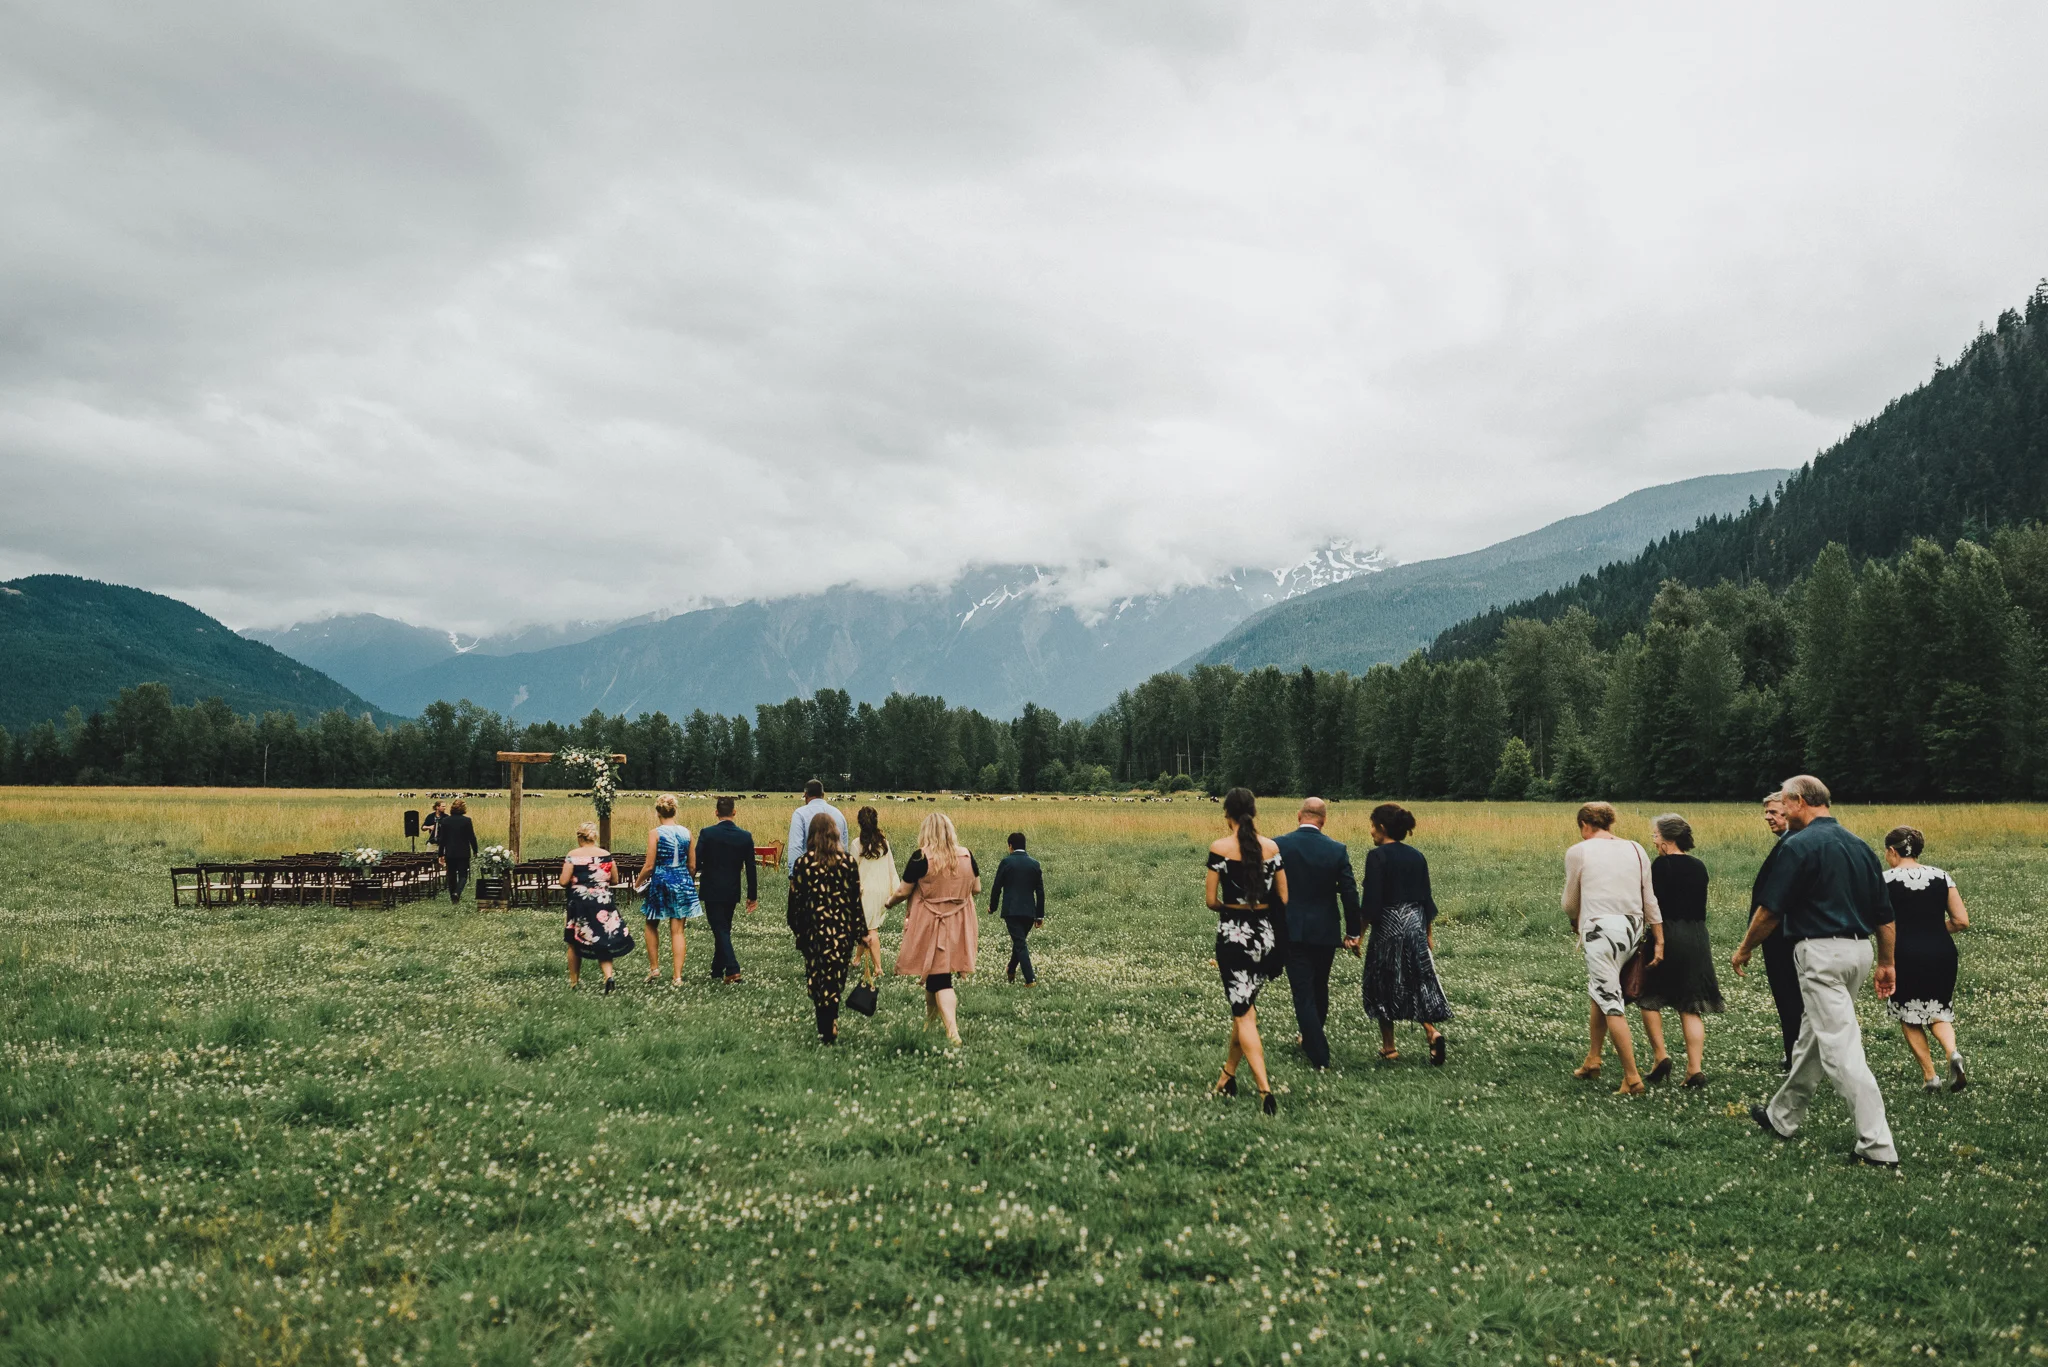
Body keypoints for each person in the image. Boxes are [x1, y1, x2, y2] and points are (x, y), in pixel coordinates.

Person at [1732, 774, 1900, 1167]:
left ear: (1799, 802)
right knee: (1812, 1037)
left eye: (1785, 804)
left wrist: (1744, 948)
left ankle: (1877, 1147)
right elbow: (1885, 917)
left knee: (1843, 1051)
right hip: (1859, 952)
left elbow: (1771, 910)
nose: (1782, 812)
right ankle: (1782, 1116)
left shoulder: (1798, 845)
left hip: (1820, 954)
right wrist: (1886, 961)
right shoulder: (1860, 846)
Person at [1561, 802, 1665, 1096]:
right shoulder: (1635, 848)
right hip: (1633, 930)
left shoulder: (1579, 851)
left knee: (1610, 1001)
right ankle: (1593, 1059)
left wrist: (1574, 919)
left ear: (1584, 824)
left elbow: (1570, 902)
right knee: (1600, 988)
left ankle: (1632, 1079)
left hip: (1601, 930)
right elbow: (1649, 897)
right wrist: (1659, 938)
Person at [1204, 788, 1289, 1114]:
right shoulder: (1272, 848)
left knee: (1244, 1015)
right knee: (1245, 1008)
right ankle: (1227, 1076)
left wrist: (1232, 907)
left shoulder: (1220, 849)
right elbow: (1284, 896)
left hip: (1233, 937)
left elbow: (1211, 901)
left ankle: (1265, 1090)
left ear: (1227, 813)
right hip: (1265, 938)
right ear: (1252, 813)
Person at [1356, 802, 1451, 1064]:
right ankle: (1432, 1032)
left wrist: (1359, 934)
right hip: (1415, 923)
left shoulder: (1376, 857)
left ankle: (1389, 1047)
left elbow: (1371, 902)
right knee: (1417, 979)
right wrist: (1428, 933)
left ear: (1382, 828)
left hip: (1389, 923)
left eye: (1373, 827)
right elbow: (1426, 899)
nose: (1371, 832)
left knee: (1382, 979)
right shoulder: (1417, 856)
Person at [1880, 825, 1971, 1093]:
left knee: (1909, 1016)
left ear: (1891, 851)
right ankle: (1953, 1053)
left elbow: (1879, 922)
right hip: (1942, 952)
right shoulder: (1942, 876)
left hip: (1904, 954)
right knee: (1939, 1011)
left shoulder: (1884, 880)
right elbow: (1961, 921)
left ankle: (1930, 1077)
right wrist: (1931, 930)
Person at [1636, 813, 1723, 1088]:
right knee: (1690, 1004)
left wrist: (1656, 939)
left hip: (1668, 933)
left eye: (1655, 835)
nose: (1653, 839)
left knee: (1647, 996)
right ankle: (1694, 1068)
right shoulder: (1699, 866)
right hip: (1697, 936)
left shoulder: (1660, 867)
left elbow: (1652, 906)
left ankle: (1660, 1056)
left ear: (1667, 839)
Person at [1273, 797, 1359, 1069]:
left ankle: (1317, 1050)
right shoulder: (1337, 849)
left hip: (1291, 929)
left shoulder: (1279, 845)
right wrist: (1353, 931)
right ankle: (1311, 1035)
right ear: (1324, 820)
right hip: (1325, 930)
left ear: (1299, 815)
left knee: (1302, 991)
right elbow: (1349, 892)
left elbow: (1268, 887)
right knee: (1320, 986)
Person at [886, 811, 981, 1045]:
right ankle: (930, 1022)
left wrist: (888, 903)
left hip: (931, 924)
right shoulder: (967, 856)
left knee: (941, 979)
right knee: (935, 973)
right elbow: (976, 889)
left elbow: (903, 891)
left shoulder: (921, 857)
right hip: (959, 924)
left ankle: (953, 1032)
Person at [786, 811, 866, 1043]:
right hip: (842, 934)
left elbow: (795, 906)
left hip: (813, 934)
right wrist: (861, 932)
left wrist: (799, 931)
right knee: (835, 980)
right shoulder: (848, 863)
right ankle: (830, 1021)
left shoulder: (803, 864)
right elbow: (855, 902)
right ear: (835, 832)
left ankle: (825, 1026)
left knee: (817, 980)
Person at [1754, 793, 1803, 1071]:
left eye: (1773, 812)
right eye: (1767, 812)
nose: (1767, 817)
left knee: (1790, 996)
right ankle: (1795, 1050)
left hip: (1784, 936)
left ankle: (1797, 1054)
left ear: (1790, 812)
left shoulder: (1792, 846)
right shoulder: (1788, 844)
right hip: (1783, 935)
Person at [632, 795, 702, 986]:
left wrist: (638, 883)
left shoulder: (655, 833)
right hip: (682, 879)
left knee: (651, 923)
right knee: (678, 931)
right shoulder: (687, 833)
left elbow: (649, 865)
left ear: (658, 812)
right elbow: (693, 865)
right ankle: (677, 976)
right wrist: (684, 878)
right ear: (675, 810)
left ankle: (654, 968)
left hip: (661, 880)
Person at [561, 821, 633, 992]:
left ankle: (574, 982)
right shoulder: (606, 855)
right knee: (604, 939)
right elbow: (614, 879)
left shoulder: (573, 855)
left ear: (580, 837)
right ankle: (609, 976)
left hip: (580, 902)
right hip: (603, 902)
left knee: (573, 940)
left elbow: (563, 881)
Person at [694, 796, 758, 983]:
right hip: (732, 889)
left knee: (720, 929)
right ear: (734, 812)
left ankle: (732, 969)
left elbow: (696, 862)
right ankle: (716, 969)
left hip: (711, 888)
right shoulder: (745, 837)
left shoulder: (707, 834)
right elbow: (751, 867)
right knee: (723, 928)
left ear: (716, 813)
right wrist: (751, 896)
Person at [988, 832, 1046, 986]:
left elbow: (997, 887)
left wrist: (992, 907)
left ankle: (1030, 979)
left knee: (1020, 943)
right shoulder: (1035, 864)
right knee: (1020, 942)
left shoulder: (1006, 862)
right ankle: (1011, 969)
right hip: (1029, 912)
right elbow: (1040, 892)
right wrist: (1039, 915)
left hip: (1011, 911)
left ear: (1010, 846)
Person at [851, 807, 899, 985]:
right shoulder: (883, 843)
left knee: (871, 930)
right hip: (882, 890)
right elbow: (891, 868)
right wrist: (894, 890)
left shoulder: (857, 844)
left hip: (865, 890)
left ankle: (878, 967)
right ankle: (856, 959)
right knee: (866, 925)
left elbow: (852, 871)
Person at [786, 780, 848, 873]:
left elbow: (795, 847)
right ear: (823, 795)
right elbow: (844, 846)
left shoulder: (799, 814)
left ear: (805, 795)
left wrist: (793, 873)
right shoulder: (838, 814)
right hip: (835, 872)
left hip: (809, 872)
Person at [438, 798, 479, 904]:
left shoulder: (445, 821)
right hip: (463, 852)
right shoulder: (467, 820)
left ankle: (453, 898)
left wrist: (440, 853)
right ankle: (457, 892)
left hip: (450, 852)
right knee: (463, 875)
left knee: (451, 875)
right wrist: (475, 850)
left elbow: (442, 839)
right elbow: (472, 837)